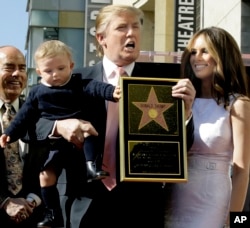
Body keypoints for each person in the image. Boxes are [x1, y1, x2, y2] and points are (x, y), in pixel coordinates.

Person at [33, 4, 196, 228]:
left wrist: (185, 114)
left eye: (136, 26)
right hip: (81, 201)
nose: (132, 33)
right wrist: (59, 126)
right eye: (122, 27)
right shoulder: (71, 79)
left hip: (139, 205)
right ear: (101, 38)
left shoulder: (162, 84)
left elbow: (181, 149)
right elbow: (34, 126)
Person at [0, 40, 121, 227]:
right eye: (9, 67)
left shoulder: (33, 112)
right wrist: (4, 201)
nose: (17, 73)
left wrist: (33, 200)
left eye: (22, 68)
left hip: (35, 215)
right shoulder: (33, 105)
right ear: (41, 72)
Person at [164, 26, 250, 228]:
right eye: (193, 52)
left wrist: (236, 220)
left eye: (205, 51)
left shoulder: (239, 104)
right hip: (173, 198)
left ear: (222, 55)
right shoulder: (179, 99)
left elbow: (242, 169)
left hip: (213, 202)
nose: (196, 58)